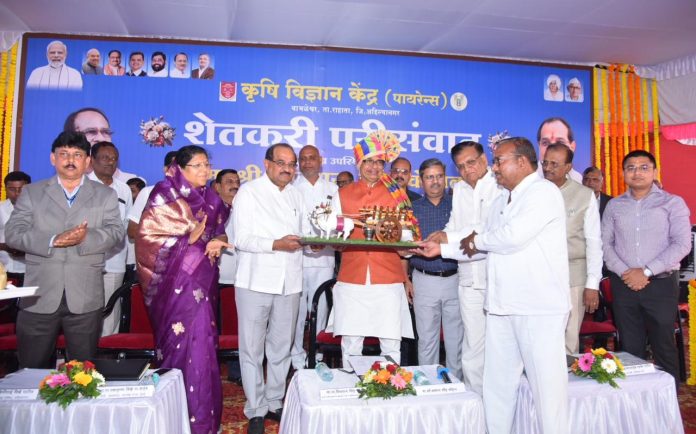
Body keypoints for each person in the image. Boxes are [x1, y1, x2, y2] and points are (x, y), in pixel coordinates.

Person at [459, 137, 570, 434]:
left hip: (538, 308)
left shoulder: (543, 192)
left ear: (521, 162)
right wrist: (440, 246)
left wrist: (476, 241)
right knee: (497, 385)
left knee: (547, 390)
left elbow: (511, 237)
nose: (494, 168)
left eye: (499, 161)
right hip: (501, 305)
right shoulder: (500, 199)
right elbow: (479, 238)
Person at [5, 131, 123, 368]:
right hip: (39, 295)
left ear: (87, 161)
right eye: (64, 154)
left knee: (82, 372)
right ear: (53, 158)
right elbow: (13, 233)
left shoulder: (106, 194)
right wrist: (53, 240)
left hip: (85, 296)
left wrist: (85, 237)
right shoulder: (32, 192)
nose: (70, 160)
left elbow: (116, 233)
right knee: (30, 369)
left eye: (77, 155)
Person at [136, 145, 230, 434]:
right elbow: (147, 238)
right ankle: (173, 420)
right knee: (180, 344)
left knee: (204, 345)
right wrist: (186, 239)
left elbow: (219, 230)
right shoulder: (165, 194)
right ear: (180, 168)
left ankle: (202, 420)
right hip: (175, 285)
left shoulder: (211, 198)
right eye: (198, 165)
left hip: (204, 281)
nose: (205, 170)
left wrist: (217, 240)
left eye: (206, 165)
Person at [416, 140, 502, 395]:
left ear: (484, 160)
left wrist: (446, 241)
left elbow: (486, 230)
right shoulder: (461, 190)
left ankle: (498, 401)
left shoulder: (499, 186)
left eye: (471, 163)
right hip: (467, 279)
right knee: (472, 348)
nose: (467, 170)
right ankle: (473, 401)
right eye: (461, 166)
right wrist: (440, 237)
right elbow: (455, 225)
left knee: (499, 346)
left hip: (495, 278)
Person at [602, 149, 691, 388]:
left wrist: (646, 271)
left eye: (644, 167)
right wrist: (626, 273)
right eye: (631, 168)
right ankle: (635, 401)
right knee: (630, 347)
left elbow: (682, 244)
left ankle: (668, 400)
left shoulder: (672, 203)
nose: (637, 172)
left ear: (654, 172)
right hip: (624, 285)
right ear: (623, 173)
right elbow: (605, 244)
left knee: (663, 345)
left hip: (661, 284)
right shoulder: (614, 206)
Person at [232, 143, 305, 434]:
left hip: (290, 281)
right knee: (252, 349)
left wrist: (315, 243)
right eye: (281, 163)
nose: (287, 168)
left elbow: (302, 236)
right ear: (267, 164)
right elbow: (241, 239)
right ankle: (255, 408)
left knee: (281, 347)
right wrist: (276, 244)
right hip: (256, 281)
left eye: (291, 164)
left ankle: (275, 401)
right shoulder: (249, 192)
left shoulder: (296, 194)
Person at [328, 134, 415, 368]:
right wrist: (334, 240)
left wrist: (406, 247)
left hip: (388, 278)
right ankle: (352, 383)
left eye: (379, 162)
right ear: (359, 164)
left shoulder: (397, 194)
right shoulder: (341, 194)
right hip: (352, 276)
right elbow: (333, 231)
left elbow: (408, 235)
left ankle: (392, 383)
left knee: (391, 339)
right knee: (351, 340)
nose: (374, 167)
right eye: (368, 161)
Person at [542, 144, 603, 354]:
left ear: (568, 167)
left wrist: (592, 284)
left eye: (554, 164)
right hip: (539, 275)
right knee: (541, 336)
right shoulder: (533, 191)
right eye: (545, 162)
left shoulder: (584, 195)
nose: (548, 168)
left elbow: (594, 242)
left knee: (568, 339)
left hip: (573, 276)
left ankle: (565, 374)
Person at [408, 158, 462, 379]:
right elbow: (404, 248)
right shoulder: (412, 209)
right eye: (430, 177)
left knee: (456, 340)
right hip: (424, 280)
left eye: (439, 176)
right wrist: (405, 279)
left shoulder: (458, 205)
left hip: (455, 279)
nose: (435, 181)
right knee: (427, 339)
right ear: (421, 181)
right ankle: (428, 384)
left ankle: (456, 385)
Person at [291, 145, 338, 370]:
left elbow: (339, 222)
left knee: (321, 309)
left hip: (324, 258)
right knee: (297, 311)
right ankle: (296, 356)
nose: (307, 162)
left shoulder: (333, 190)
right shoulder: (291, 189)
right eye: (303, 159)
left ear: (320, 161)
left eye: (312, 158)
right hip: (297, 259)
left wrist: (326, 240)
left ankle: (317, 354)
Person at [88, 141, 133, 336]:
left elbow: (127, 224)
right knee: (83, 312)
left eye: (114, 159)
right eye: (105, 158)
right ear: (92, 160)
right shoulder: (81, 186)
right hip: (84, 262)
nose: (110, 162)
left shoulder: (123, 190)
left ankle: (107, 352)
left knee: (110, 312)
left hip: (114, 260)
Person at [63, 107, 140, 183]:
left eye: (105, 132)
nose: (101, 138)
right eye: (91, 132)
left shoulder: (130, 183)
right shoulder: (61, 186)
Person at [0, 171, 31, 286]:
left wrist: (28, 248)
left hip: (32, 270)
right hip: (3, 270)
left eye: (21, 189)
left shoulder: (41, 211)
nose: (17, 193)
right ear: (6, 189)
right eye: (12, 189)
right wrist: (5, 246)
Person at [214, 169, 240, 287]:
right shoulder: (209, 211)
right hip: (218, 278)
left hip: (242, 279)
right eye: (229, 182)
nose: (235, 186)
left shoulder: (247, 209)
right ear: (217, 187)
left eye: (237, 182)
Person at [536, 116, 582, 182]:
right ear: (539, 146)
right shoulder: (529, 178)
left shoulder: (578, 180)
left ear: (572, 147)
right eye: (545, 142)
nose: (552, 148)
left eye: (560, 142)